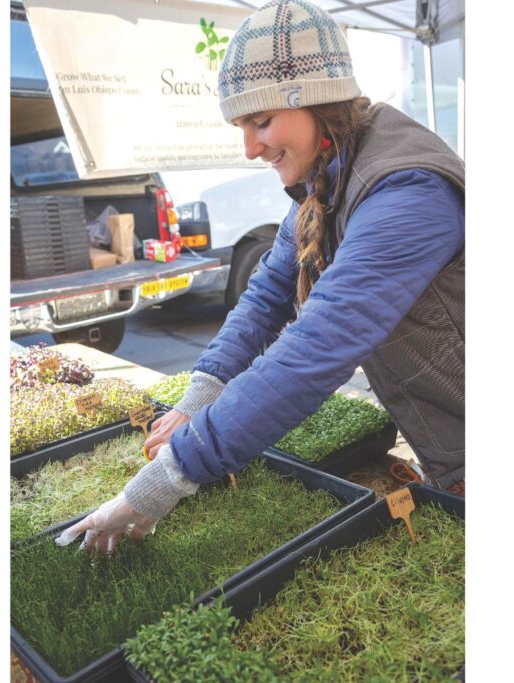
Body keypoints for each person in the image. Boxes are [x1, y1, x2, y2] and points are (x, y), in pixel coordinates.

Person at [58, 0, 464, 553]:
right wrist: (197, 398)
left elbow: (317, 348)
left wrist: (167, 478)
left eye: (262, 120)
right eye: (241, 125)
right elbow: (268, 295)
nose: (250, 148)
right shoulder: (327, 179)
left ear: (317, 99)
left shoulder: (406, 191)